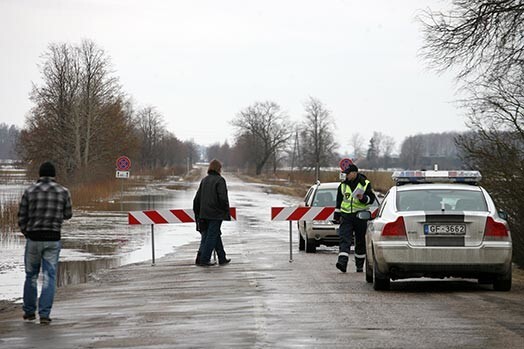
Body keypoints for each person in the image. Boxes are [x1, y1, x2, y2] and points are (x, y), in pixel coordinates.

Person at [18, 161, 72, 324]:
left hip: (33, 238)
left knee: (31, 276)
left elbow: (22, 216)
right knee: (49, 277)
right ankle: (44, 314)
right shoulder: (63, 192)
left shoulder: (29, 191)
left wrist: (26, 232)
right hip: (53, 239)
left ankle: (28, 312)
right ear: (54, 175)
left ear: (40, 174)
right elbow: (68, 214)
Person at [333, 164, 376, 273]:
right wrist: (337, 215)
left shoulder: (365, 184)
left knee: (360, 241)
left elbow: (371, 199)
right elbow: (339, 201)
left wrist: (363, 198)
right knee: (344, 239)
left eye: (348, 173)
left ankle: (359, 265)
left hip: (360, 216)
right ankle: (342, 263)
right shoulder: (343, 185)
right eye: (345, 173)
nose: (346, 175)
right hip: (346, 216)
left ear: (354, 173)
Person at [192, 159, 231, 267]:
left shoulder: (204, 180)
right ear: (219, 169)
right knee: (212, 236)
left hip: (204, 214)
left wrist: (198, 213)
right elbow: (223, 198)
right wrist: (225, 210)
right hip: (216, 213)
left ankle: (222, 257)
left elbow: (197, 199)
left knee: (215, 234)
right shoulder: (220, 180)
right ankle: (204, 259)